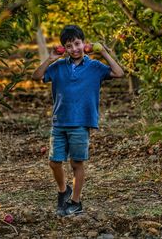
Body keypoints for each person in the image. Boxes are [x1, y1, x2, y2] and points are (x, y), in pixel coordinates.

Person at [32, 25, 124, 217]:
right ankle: (62, 190)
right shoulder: (57, 67)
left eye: (77, 43)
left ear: (84, 43)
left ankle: (75, 201)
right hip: (59, 122)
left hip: (81, 123)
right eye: (69, 46)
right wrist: (50, 58)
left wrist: (104, 53)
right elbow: (37, 76)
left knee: (76, 164)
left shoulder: (95, 67)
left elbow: (119, 73)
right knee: (54, 162)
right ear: (64, 48)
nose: (74, 48)